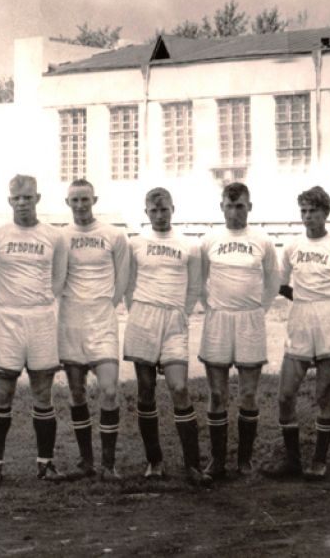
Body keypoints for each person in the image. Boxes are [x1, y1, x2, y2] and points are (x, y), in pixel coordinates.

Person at [263, 186, 330, 481]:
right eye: (304, 211)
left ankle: (319, 460)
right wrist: (304, 300)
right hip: (301, 318)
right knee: (285, 395)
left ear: (325, 213)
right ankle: (293, 460)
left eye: (313, 211)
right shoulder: (292, 246)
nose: (308, 217)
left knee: (323, 393)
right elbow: (281, 284)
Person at [0, 174, 68, 483]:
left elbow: (59, 278)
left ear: (37, 199)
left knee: (43, 392)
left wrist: (40, 302)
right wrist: (4, 304)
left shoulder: (54, 236)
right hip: (7, 319)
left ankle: (46, 463)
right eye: (17, 198)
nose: (22, 203)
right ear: (9, 200)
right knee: (2, 392)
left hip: (41, 319)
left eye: (27, 197)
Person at [124, 187, 209, 485]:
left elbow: (194, 287)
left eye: (164, 210)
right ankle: (154, 461)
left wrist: (180, 313)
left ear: (173, 209)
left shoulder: (189, 245)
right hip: (143, 318)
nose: (160, 215)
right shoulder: (135, 243)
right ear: (146, 212)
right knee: (146, 390)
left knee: (179, 387)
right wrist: (138, 313)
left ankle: (192, 465)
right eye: (154, 210)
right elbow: (128, 285)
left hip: (174, 320)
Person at [197, 182, 280, 481]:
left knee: (247, 393)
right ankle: (217, 460)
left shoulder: (262, 240)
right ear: (222, 207)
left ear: (250, 207)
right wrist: (212, 306)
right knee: (217, 394)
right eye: (230, 206)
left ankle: (244, 460)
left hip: (250, 321)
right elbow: (199, 282)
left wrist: (258, 310)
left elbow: (273, 282)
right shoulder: (209, 240)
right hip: (218, 319)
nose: (235, 212)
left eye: (240, 206)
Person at [59, 179, 130, 481]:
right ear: (68, 202)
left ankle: (109, 464)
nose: (80, 205)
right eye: (74, 200)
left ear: (94, 200)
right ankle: (86, 461)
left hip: (102, 321)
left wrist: (107, 305)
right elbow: (56, 277)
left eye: (85, 199)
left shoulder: (114, 235)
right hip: (71, 321)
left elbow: (123, 278)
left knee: (109, 390)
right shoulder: (61, 237)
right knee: (77, 392)